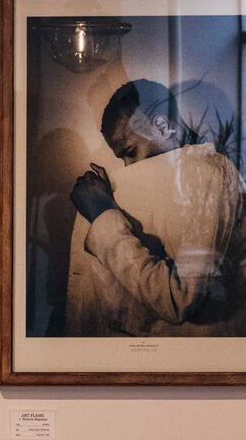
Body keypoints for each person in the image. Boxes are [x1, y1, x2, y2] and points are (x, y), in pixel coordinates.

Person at [66, 78, 246, 336]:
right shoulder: (186, 178)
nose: (128, 167)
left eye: (130, 151)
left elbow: (179, 299)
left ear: (162, 127)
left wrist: (103, 215)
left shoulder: (208, 173)